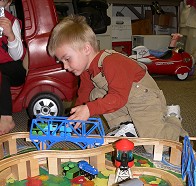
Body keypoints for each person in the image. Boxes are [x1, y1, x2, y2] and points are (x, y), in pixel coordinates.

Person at [48, 15, 188, 152]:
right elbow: (84, 96)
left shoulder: (112, 61)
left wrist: (89, 109)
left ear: (86, 48)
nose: (64, 66)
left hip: (145, 99)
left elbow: (118, 97)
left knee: (156, 147)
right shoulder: (86, 71)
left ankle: (172, 117)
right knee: (94, 94)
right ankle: (128, 125)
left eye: (67, 59)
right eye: (61, 61)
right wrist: (76, 116)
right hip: (125, 98)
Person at [0, 0, 26, 135]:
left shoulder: (10, 21)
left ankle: (6, 118)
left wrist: (10, 35)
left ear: (7, 3)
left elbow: (17, 55)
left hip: (14, 68)